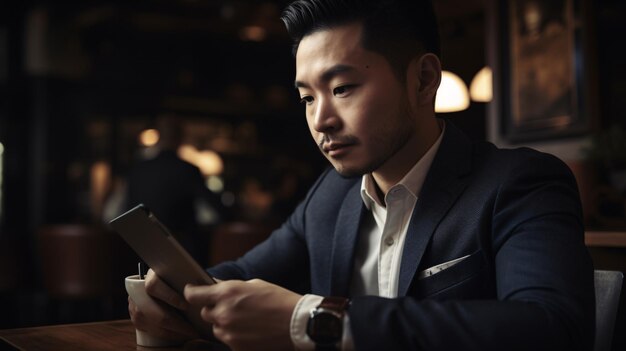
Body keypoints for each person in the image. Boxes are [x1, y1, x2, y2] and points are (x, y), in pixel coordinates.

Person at [128, 1, 595, 350]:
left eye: (342, 88)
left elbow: (550, 328)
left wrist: (315, 320)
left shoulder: (520, 182)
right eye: (307, 97)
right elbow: (242, 276)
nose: (320, 119)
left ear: (424, 79)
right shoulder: (330, 194)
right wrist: (176, 296)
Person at [125, 116, 224, 265]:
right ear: (180, 138)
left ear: (158, 137)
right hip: (182, 254)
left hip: (143, 253)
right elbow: (218, 208)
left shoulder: (138, 170)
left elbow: (128, 212)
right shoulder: (188, 170)